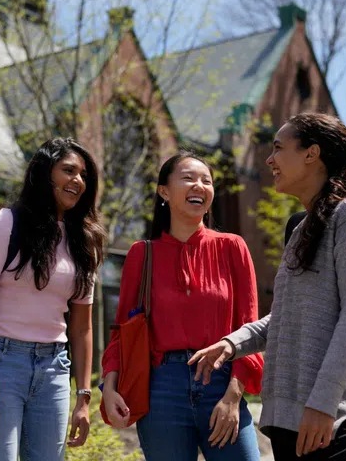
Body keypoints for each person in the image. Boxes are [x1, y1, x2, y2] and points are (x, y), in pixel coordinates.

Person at [189, 113, 346, 460]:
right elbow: (283, 317)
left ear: (311, 154)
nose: (270, 160)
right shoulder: (302, 229)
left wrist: (324, 404)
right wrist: (231, 343)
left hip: (334, 419)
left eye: (279, 149)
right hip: (289, 418)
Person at [102, 152, 264, 461]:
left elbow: (250, 329)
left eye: (207, 181)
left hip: (222, 380)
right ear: (164, 191)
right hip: (162, 389)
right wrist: (109, 388)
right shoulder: (141, 254)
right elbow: (122, 332)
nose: (199, 186)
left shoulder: (233, 247)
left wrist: (233, 396)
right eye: (188, 178)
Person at [0, 138, 106, 461]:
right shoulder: (4, 225)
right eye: (68, 170)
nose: (78, 181)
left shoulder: (84, 242)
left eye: (84, 175)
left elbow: (81, 329)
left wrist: (83, 399)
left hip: (53, 368)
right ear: (43, 172)